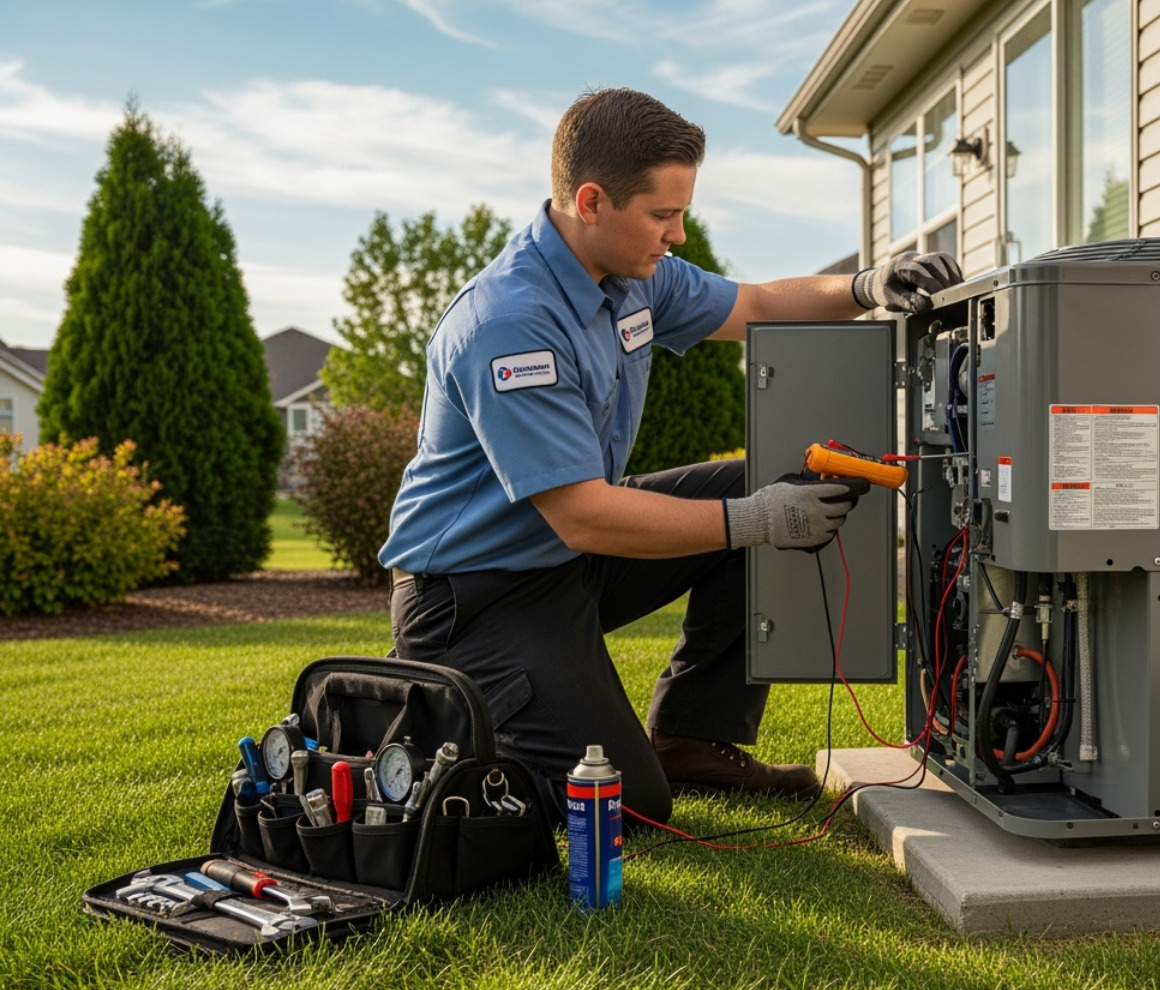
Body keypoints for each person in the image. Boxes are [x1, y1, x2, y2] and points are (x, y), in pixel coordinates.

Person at [380, 88, 963, 825]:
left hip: (562, 562)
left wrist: (865, 285)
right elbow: (584, 515)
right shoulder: (508, 323)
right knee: (629, 803)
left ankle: (693, 738)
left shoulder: (632, 280)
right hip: (474, 594)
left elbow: (757, 305)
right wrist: (754, 521)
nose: (678, 234)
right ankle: (441, 712)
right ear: (591, 202)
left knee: (758, 487)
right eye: (662, 215)